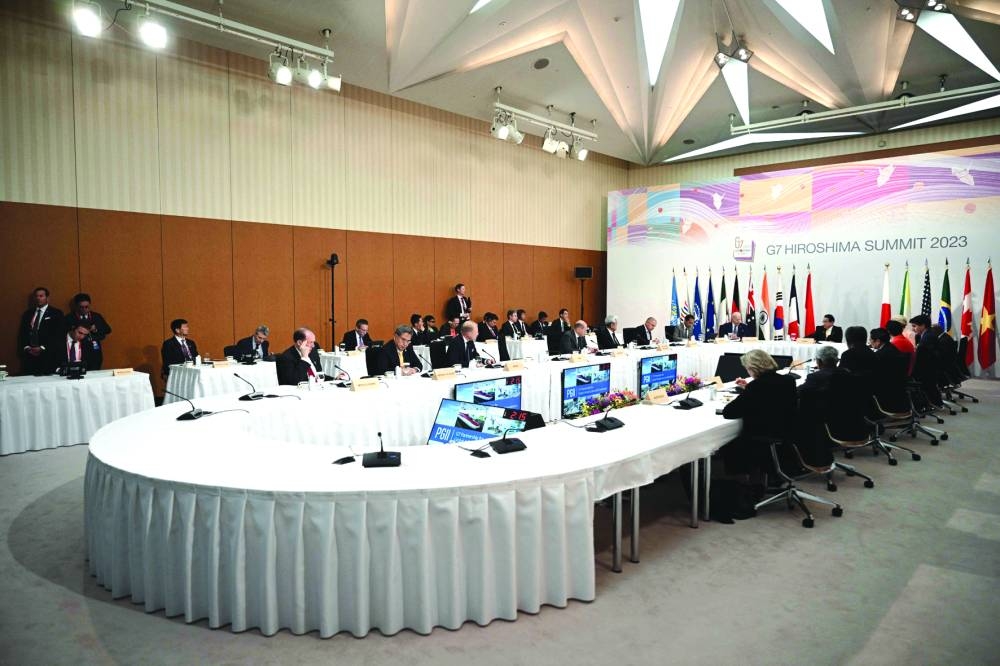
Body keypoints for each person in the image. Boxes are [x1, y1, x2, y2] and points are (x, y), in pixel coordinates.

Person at [720, 349, 798, 476]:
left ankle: (745, 482)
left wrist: (749, 390)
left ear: (753, 368)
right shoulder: (788, 380)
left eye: (747, 369)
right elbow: (771, 397)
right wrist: (748, 388)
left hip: (763, 436)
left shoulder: (756, 386)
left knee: (729, 444)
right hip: (787, 431)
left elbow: (729, 412)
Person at [18, 287, 65, 375]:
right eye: (36, 296)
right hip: (29, 357)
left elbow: (58, 335)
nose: (38, 298)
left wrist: (42, 348)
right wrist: (27, 347)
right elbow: (22, 334)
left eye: (41, 296)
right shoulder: (27, 314)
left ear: (47, 298)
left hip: (48, 356)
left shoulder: (56, 313)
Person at [65, 293, 111, 370]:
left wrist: (96, 329)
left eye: (87, 307)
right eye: (81, 307)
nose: (84, 309)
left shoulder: (96, 316)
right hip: (78, 351)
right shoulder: (69, 318)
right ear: (76, 306)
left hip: (94, 352)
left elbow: (108, 330)